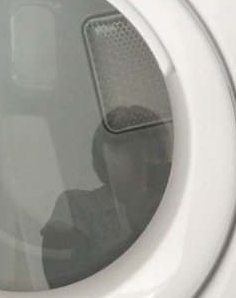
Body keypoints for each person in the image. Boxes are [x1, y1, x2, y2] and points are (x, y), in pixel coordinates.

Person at [40, 108, 172, 288]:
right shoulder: (77, 204)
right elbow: (61, 279)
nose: (144, 159)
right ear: (105, 154)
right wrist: (139, 233)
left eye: (152, 150)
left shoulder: (173, 201)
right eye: (131, 148)